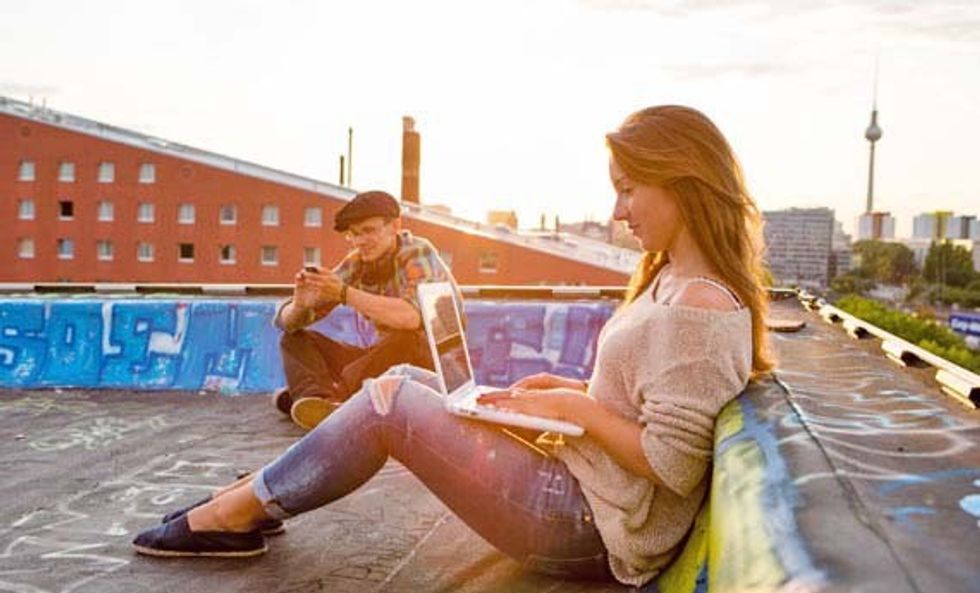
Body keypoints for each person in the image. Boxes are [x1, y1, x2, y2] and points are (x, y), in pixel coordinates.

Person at [132, 105, 774, 587]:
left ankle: (236, 513)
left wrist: (577, 413)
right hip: (583, 491)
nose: (617, 210)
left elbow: (672, 464)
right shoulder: (672, 281)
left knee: (389, 402)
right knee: (411, 377)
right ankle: (261, 495)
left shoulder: (702, 305)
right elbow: (648, 404)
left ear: (683, 181)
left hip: (589, 526)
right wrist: (570, 391)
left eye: (630, 188)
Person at [273, 190, 460, 430]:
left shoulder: (417, 253)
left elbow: (411, 318)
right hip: (381, 365)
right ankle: (320, 401)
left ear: (394, 226)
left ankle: (331, 397)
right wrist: (300, 305)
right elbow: (288, 322)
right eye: (354, 234)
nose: (360, 241)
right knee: (295, 338)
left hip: (432, 370)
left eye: (369, 231)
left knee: (405, 340)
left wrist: (343, 293)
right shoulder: (356, 263)